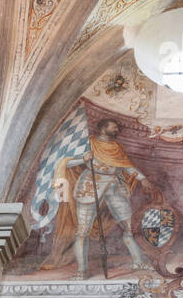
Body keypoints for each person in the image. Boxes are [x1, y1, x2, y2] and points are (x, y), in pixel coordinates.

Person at [48, 118, 157, 278]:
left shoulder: (116, 147)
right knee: (82, 231)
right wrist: (83, 159)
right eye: (114, 127)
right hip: (90, 185)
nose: (117, 130)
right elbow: (66, 163)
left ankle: (138, 261)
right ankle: (82, 270)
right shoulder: (89, 143)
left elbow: (124, 165)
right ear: (103, 127)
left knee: (129, 226)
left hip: (114, 185)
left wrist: (142, 178)